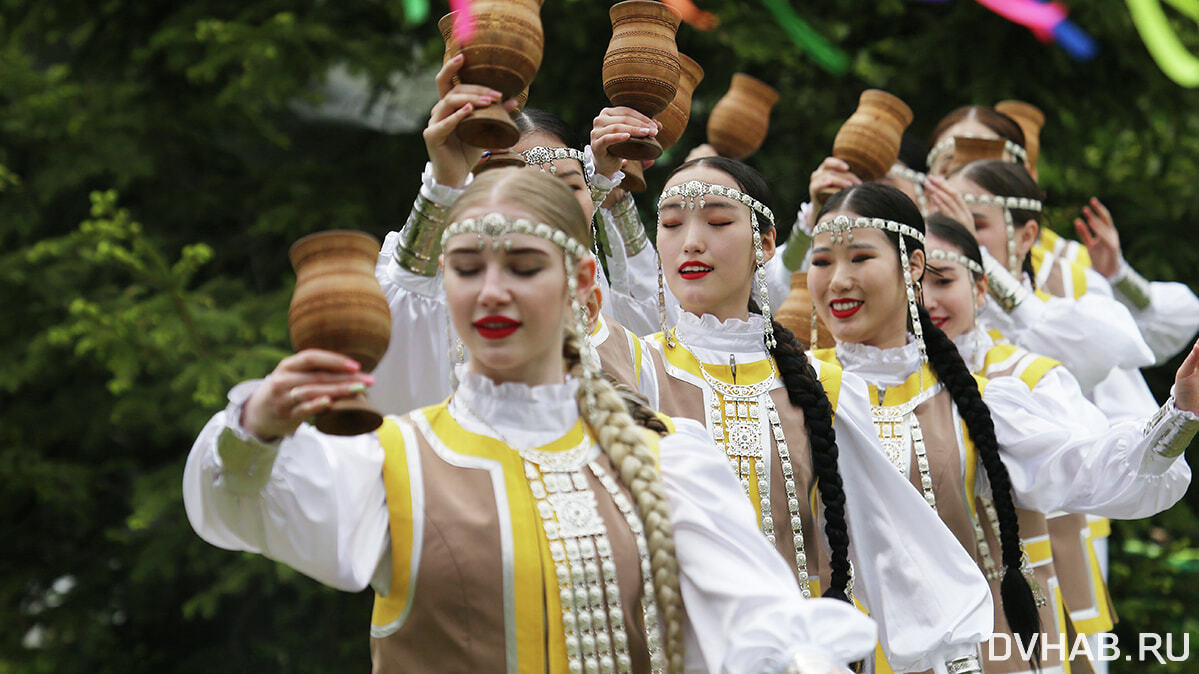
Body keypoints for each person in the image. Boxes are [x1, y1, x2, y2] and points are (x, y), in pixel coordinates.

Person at [184, 167, 878, 673]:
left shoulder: (667, 461)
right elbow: (235, 504)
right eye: (465, 267)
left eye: (521, 266)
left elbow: (765, 633)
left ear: (579, 285)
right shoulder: (393, 460)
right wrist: (259, 426)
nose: (491, 291)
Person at [616, 157, 996, 674]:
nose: (692, 242)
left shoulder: (826, 384)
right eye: (673, 223)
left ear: (766, 244)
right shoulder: (630, 365)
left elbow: (891, 537)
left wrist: (951, 650)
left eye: (720, 222)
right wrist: (595, 185)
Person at [806, 182, 1197, 672]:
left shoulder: (978, 397)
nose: (838, 279)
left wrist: (1178, 416)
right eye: (821, 262)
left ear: (912, 267)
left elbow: (1085, 469)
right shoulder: (790, 390)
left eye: (860, 258)